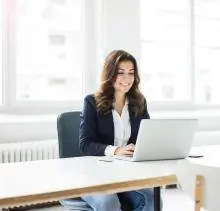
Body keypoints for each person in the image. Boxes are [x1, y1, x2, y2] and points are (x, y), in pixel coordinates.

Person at [60, 50, 157, 211]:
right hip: (95, 174)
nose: (127, 79)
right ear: (110, 74)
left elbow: (147, 136)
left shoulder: (139, 102)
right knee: (109, 203)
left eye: (131, 73)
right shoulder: (91, 102)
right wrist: (116, 150)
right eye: (121, 73)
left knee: (152, 200)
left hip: (126, 173)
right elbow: (86, 144)